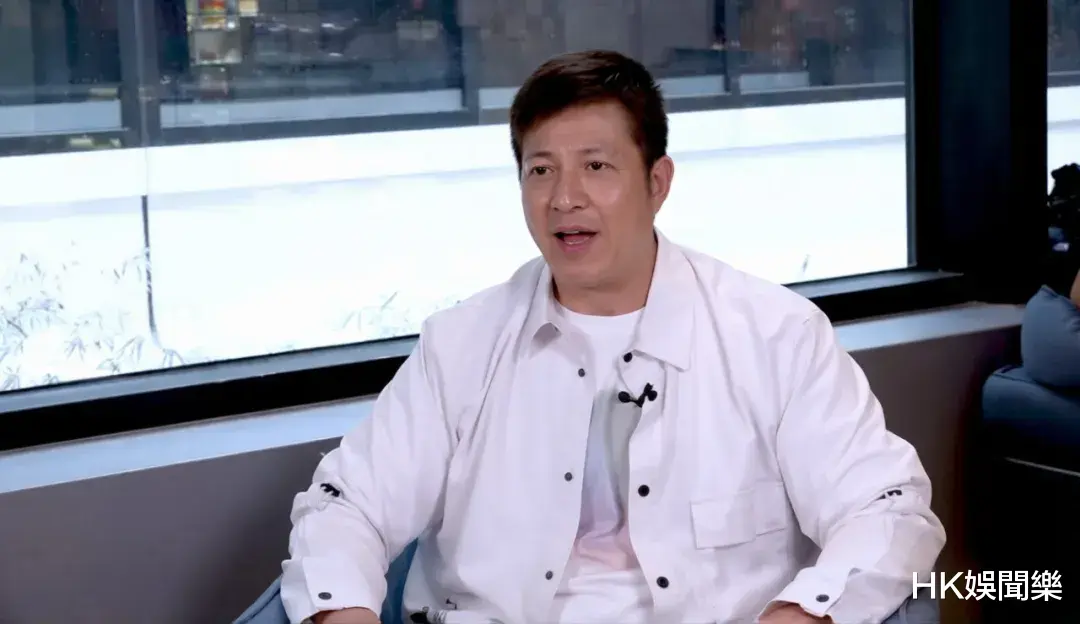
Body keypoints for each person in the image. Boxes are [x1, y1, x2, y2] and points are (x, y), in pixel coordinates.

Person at [280, 49, 946, 624]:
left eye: (596, 167)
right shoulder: (461, 346)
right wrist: (346, 612)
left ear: (657, 182)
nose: (564, 198)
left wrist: (803, 612)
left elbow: (887, 509)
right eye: (541, 170)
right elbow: (346, 507)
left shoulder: (775, 336)